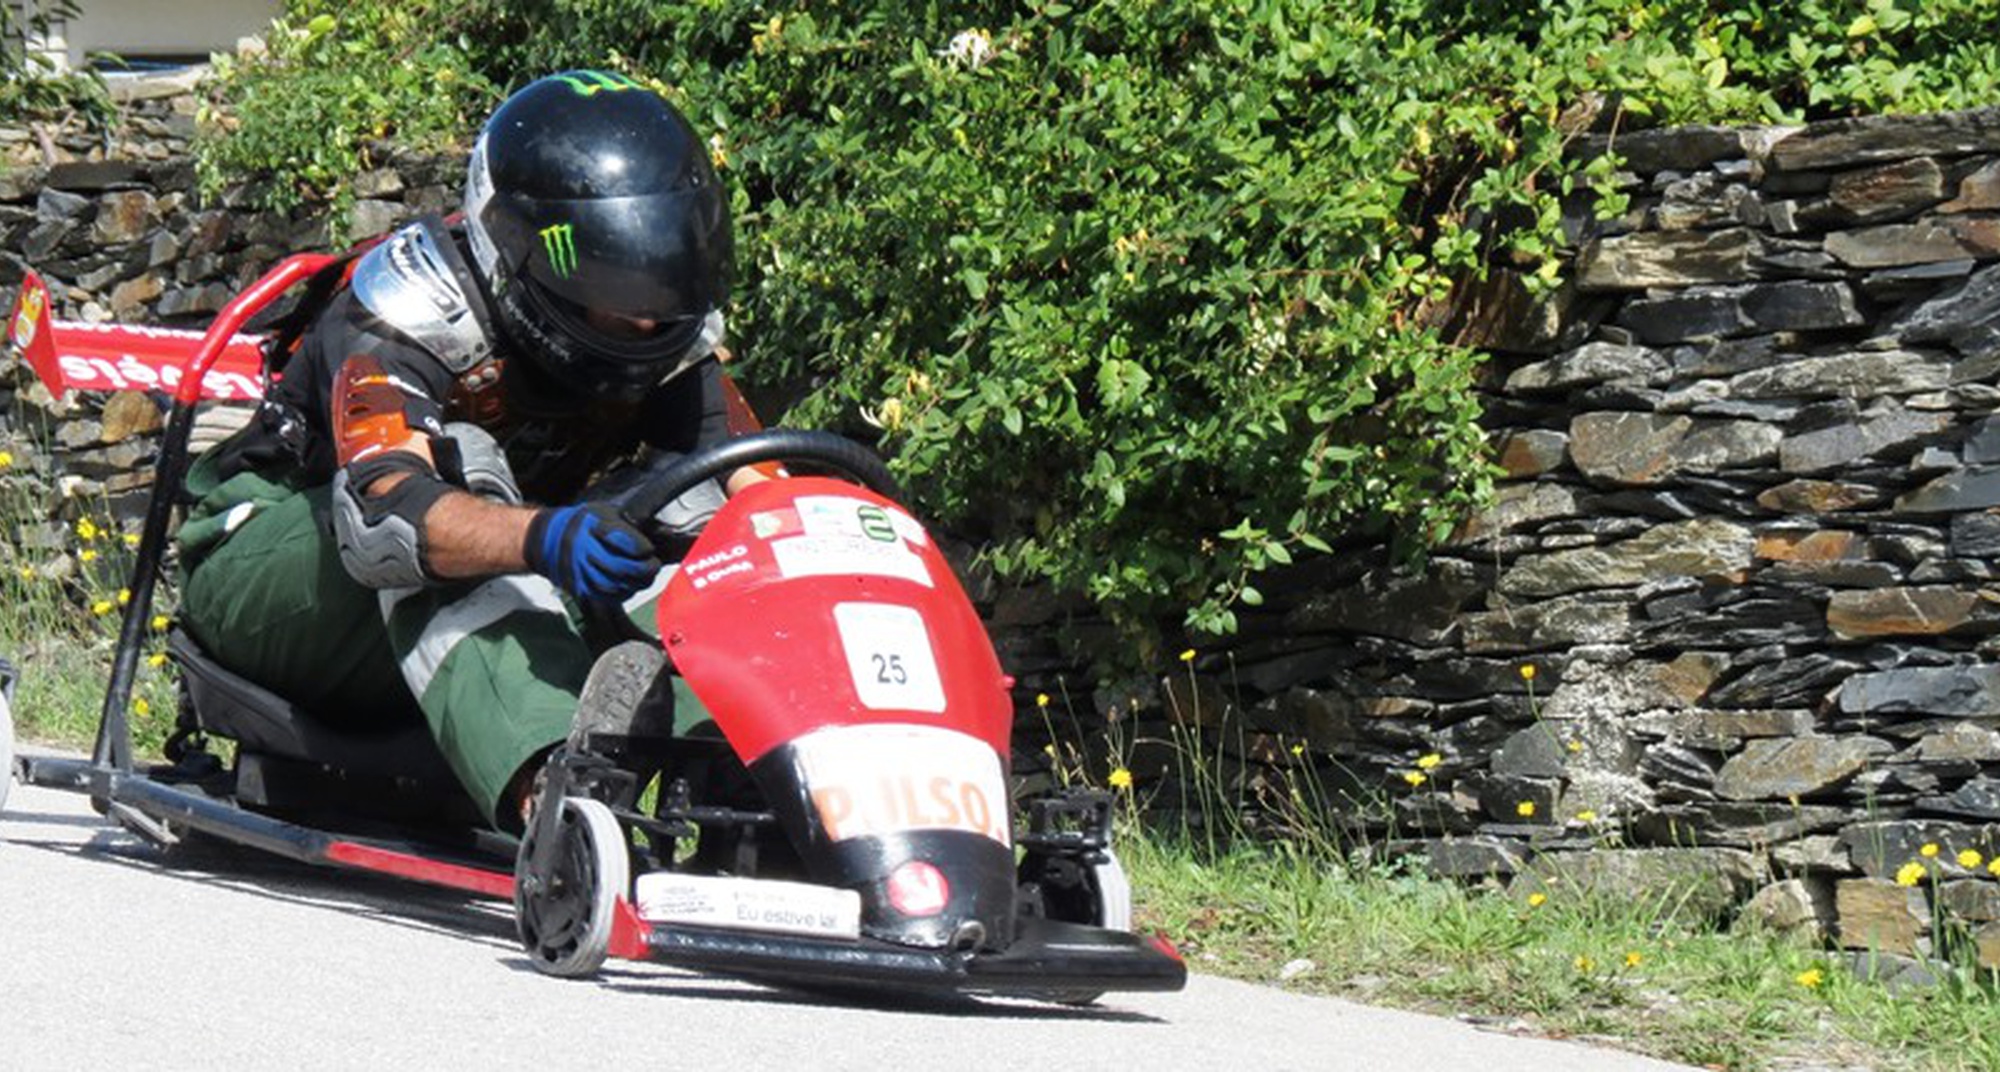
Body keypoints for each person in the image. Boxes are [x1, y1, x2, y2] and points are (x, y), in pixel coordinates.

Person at [175, 70, 756, 829]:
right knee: (447, 510)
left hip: (463, 572)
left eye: (657, 275)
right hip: (268, 556)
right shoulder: (409, 307)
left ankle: (755, 786)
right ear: (521, 247)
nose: (646, 318)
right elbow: (387, 510)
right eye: (617, 279)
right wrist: (543, 535)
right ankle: (562, 800)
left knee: (714, 537)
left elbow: (761, 492)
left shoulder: (668, 344)